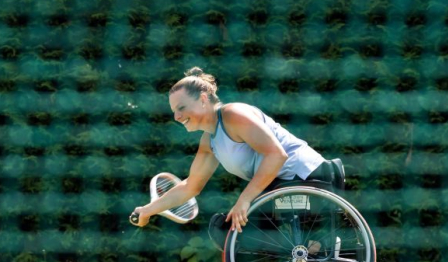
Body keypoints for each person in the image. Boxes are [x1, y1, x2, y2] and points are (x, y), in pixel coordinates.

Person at [131, 67, 341, 233]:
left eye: (181, 108)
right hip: (280, 188)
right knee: (223, 228)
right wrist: (148, 211)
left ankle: (321, 250)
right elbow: (190, 187)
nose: (176, 117)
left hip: (310, 178)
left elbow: (276, 155)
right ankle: (319, 253)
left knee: (232, 229)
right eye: (173, 111)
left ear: (203, 99)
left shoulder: (233, 115)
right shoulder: (209, 141)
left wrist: (245, 199)